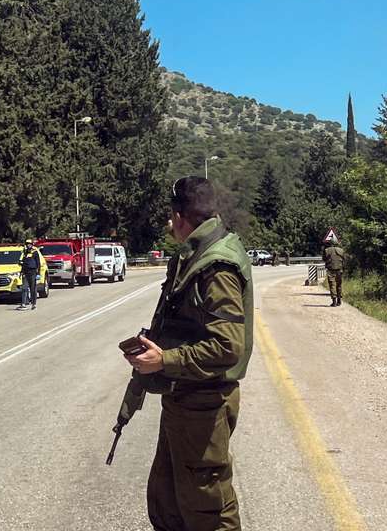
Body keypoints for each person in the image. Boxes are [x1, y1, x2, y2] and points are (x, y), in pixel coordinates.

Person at [122, 176, 253, 531]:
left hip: (204, 403)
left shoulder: (215, 264)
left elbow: (227, 346)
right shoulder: (197, 254)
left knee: (207, 508)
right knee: (168, 500)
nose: (169, 224)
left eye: (171, 217)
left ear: (180, 217)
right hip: (186, 397)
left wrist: (164, 360)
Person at [17, 238, 43, 311]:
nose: (28, 245)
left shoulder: (35, 252)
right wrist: (21, 268)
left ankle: (34, 304)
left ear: (32, 245)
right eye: (27, 244)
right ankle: (23, 304)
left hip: (32, 272)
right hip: (25, 272)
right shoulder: (24, 252)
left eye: (30, 244)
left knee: (33, 289)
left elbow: (38, 263)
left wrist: (38, 273)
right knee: (24, 288)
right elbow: (21, 261)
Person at [322, 237, 346, 307]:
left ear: (330, 243)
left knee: (332, 285)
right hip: (339, 270)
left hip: (331, 270)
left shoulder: (327, 250)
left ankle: (334, 301)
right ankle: (339, 300)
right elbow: (344, 260)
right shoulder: (341, 250)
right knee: (339, 285)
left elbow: (324, 259)